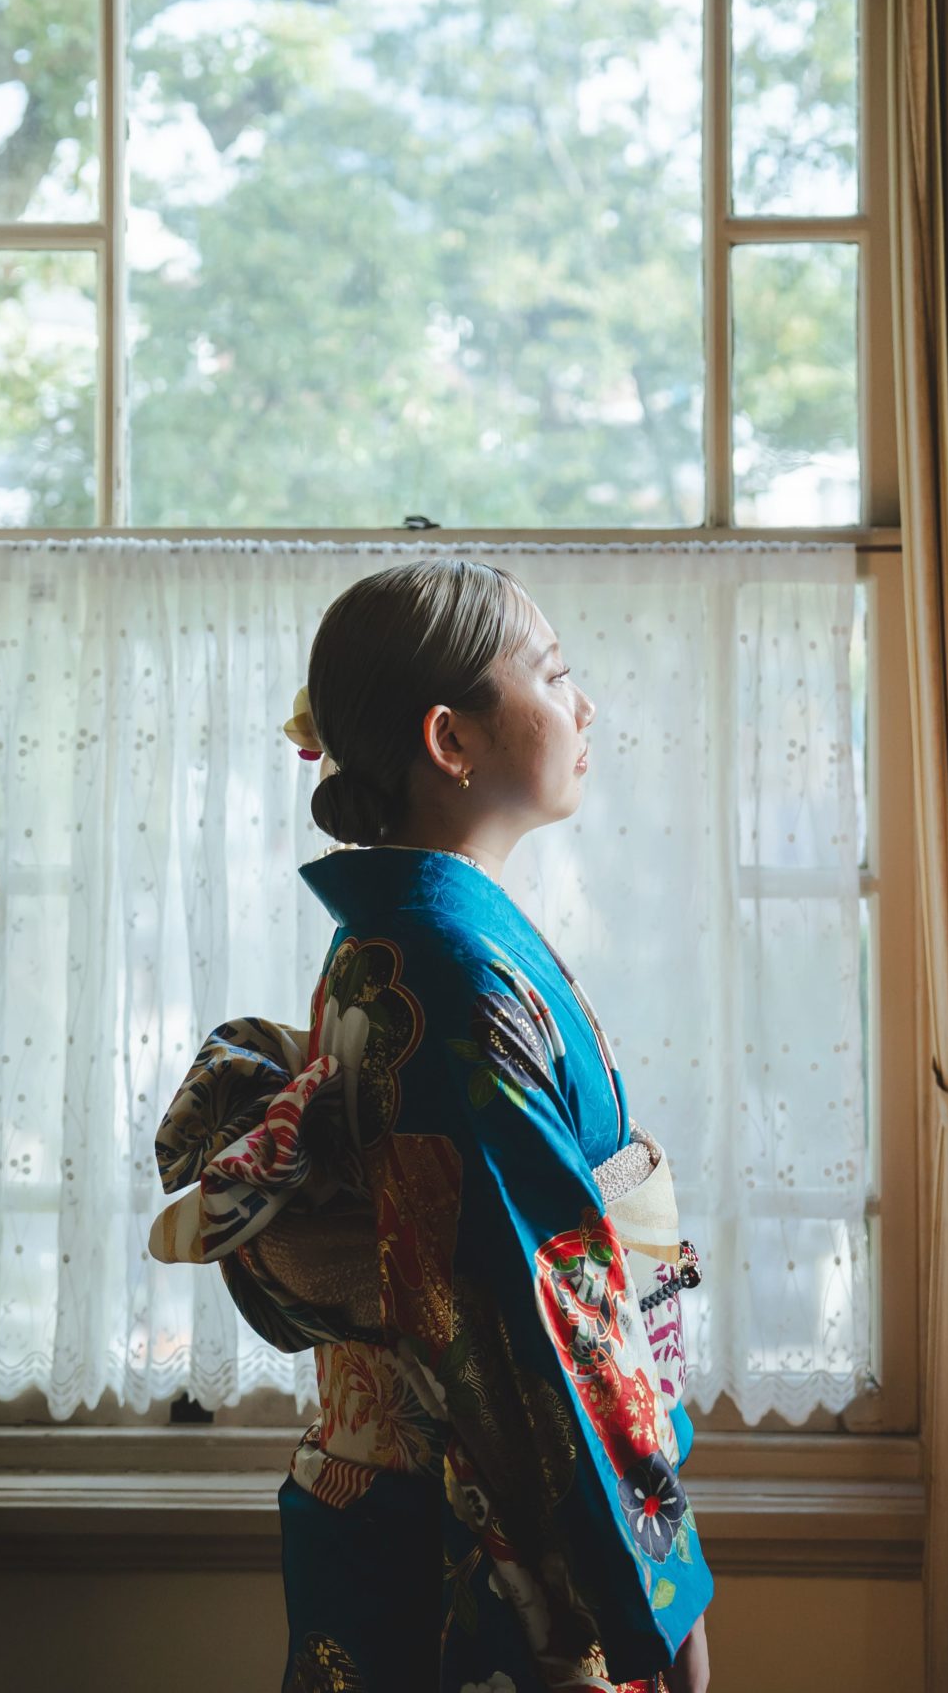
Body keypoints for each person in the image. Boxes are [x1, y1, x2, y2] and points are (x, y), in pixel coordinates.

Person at [151, 555, 714, 1693]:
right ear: (450, 740)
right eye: (553, 674)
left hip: (402, 1502)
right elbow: (534, 1302)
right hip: (469, 1526)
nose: (585, 705)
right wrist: (654, 1588)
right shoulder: (449, 971)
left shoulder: (414, 942)